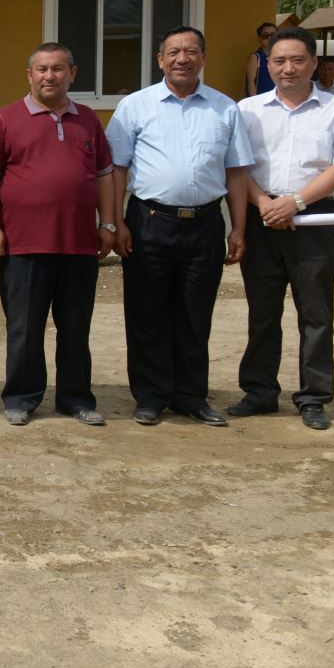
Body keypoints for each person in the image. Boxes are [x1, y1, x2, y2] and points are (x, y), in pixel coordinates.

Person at [107, 25, 252, 427]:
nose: (182, 59)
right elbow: (116, 169)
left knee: (195, 312)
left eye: (191, 51)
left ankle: (190, 395)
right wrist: (116, 221)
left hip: (205, 225)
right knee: (147, 312)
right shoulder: (135, 107)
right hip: (149, 221)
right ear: (160, 60)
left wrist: (238, 228)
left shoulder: (225, 109)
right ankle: (151, 395)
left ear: (203, 57)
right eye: (173, 52)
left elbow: (236, 172)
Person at [229, 26, 334, 430]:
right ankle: (259, 391)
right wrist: (266, 204)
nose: (288, 68)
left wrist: (296, 202)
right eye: (279, 60)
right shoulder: (247, 110)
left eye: (297, 60)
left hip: (315, 220)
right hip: (263, 216)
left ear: (314, 63)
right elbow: (238, 166)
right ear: (267, 65)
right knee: (262, 311)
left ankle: (314, 397)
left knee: (316, 313)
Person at [0, 43, 116, 427]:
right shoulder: (5, 119)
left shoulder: (88, 120)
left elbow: (104, 175)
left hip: (78, 243)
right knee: (24, 327)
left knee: (75, 327)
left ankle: (75, 398)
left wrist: (107, 223)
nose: (49, 76)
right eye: (41, 69)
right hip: (23, 243)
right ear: (30, 75)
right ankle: (22, 397)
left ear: (72, 73)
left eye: (57, 69)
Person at [243, 21, 276, 96]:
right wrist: (255, 101)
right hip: (261, 99)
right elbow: (250, 83)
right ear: (259, 38)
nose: (270, 38)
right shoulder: (255, 57)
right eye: (265, 35)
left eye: (273, 35)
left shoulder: (280, 56)